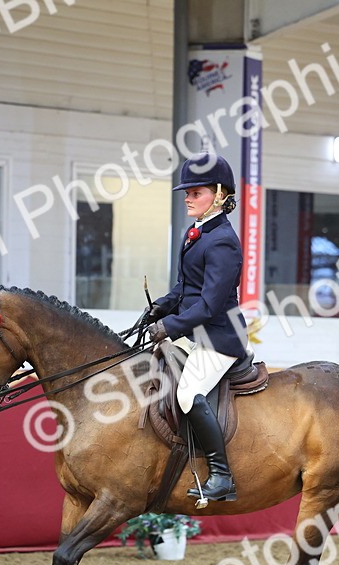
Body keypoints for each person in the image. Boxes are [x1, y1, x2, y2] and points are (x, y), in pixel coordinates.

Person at [145, 152, 247, 502]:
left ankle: (222, 476)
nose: (187, 198)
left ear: (219, 194)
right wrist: (161, 306)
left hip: (218, 338)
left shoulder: (222, 241)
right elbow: (185, 290)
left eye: (195, 192)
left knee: (188, 393)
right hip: (193, 333)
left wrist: (169, 326)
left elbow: (210, 304)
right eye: (186, 193)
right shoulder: (197, 232)